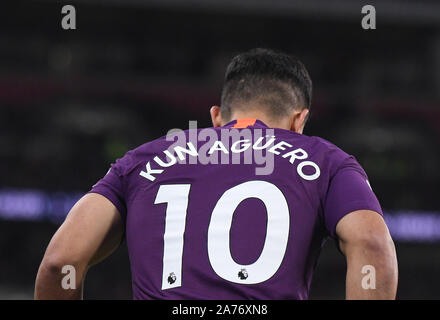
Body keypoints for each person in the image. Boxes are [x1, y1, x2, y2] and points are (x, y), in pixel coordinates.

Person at [35, 48, 398, 300]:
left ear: (216, 118)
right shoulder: (326, 161)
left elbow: (59, 262)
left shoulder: (142, 160)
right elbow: (371, 243)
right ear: (299, 120)